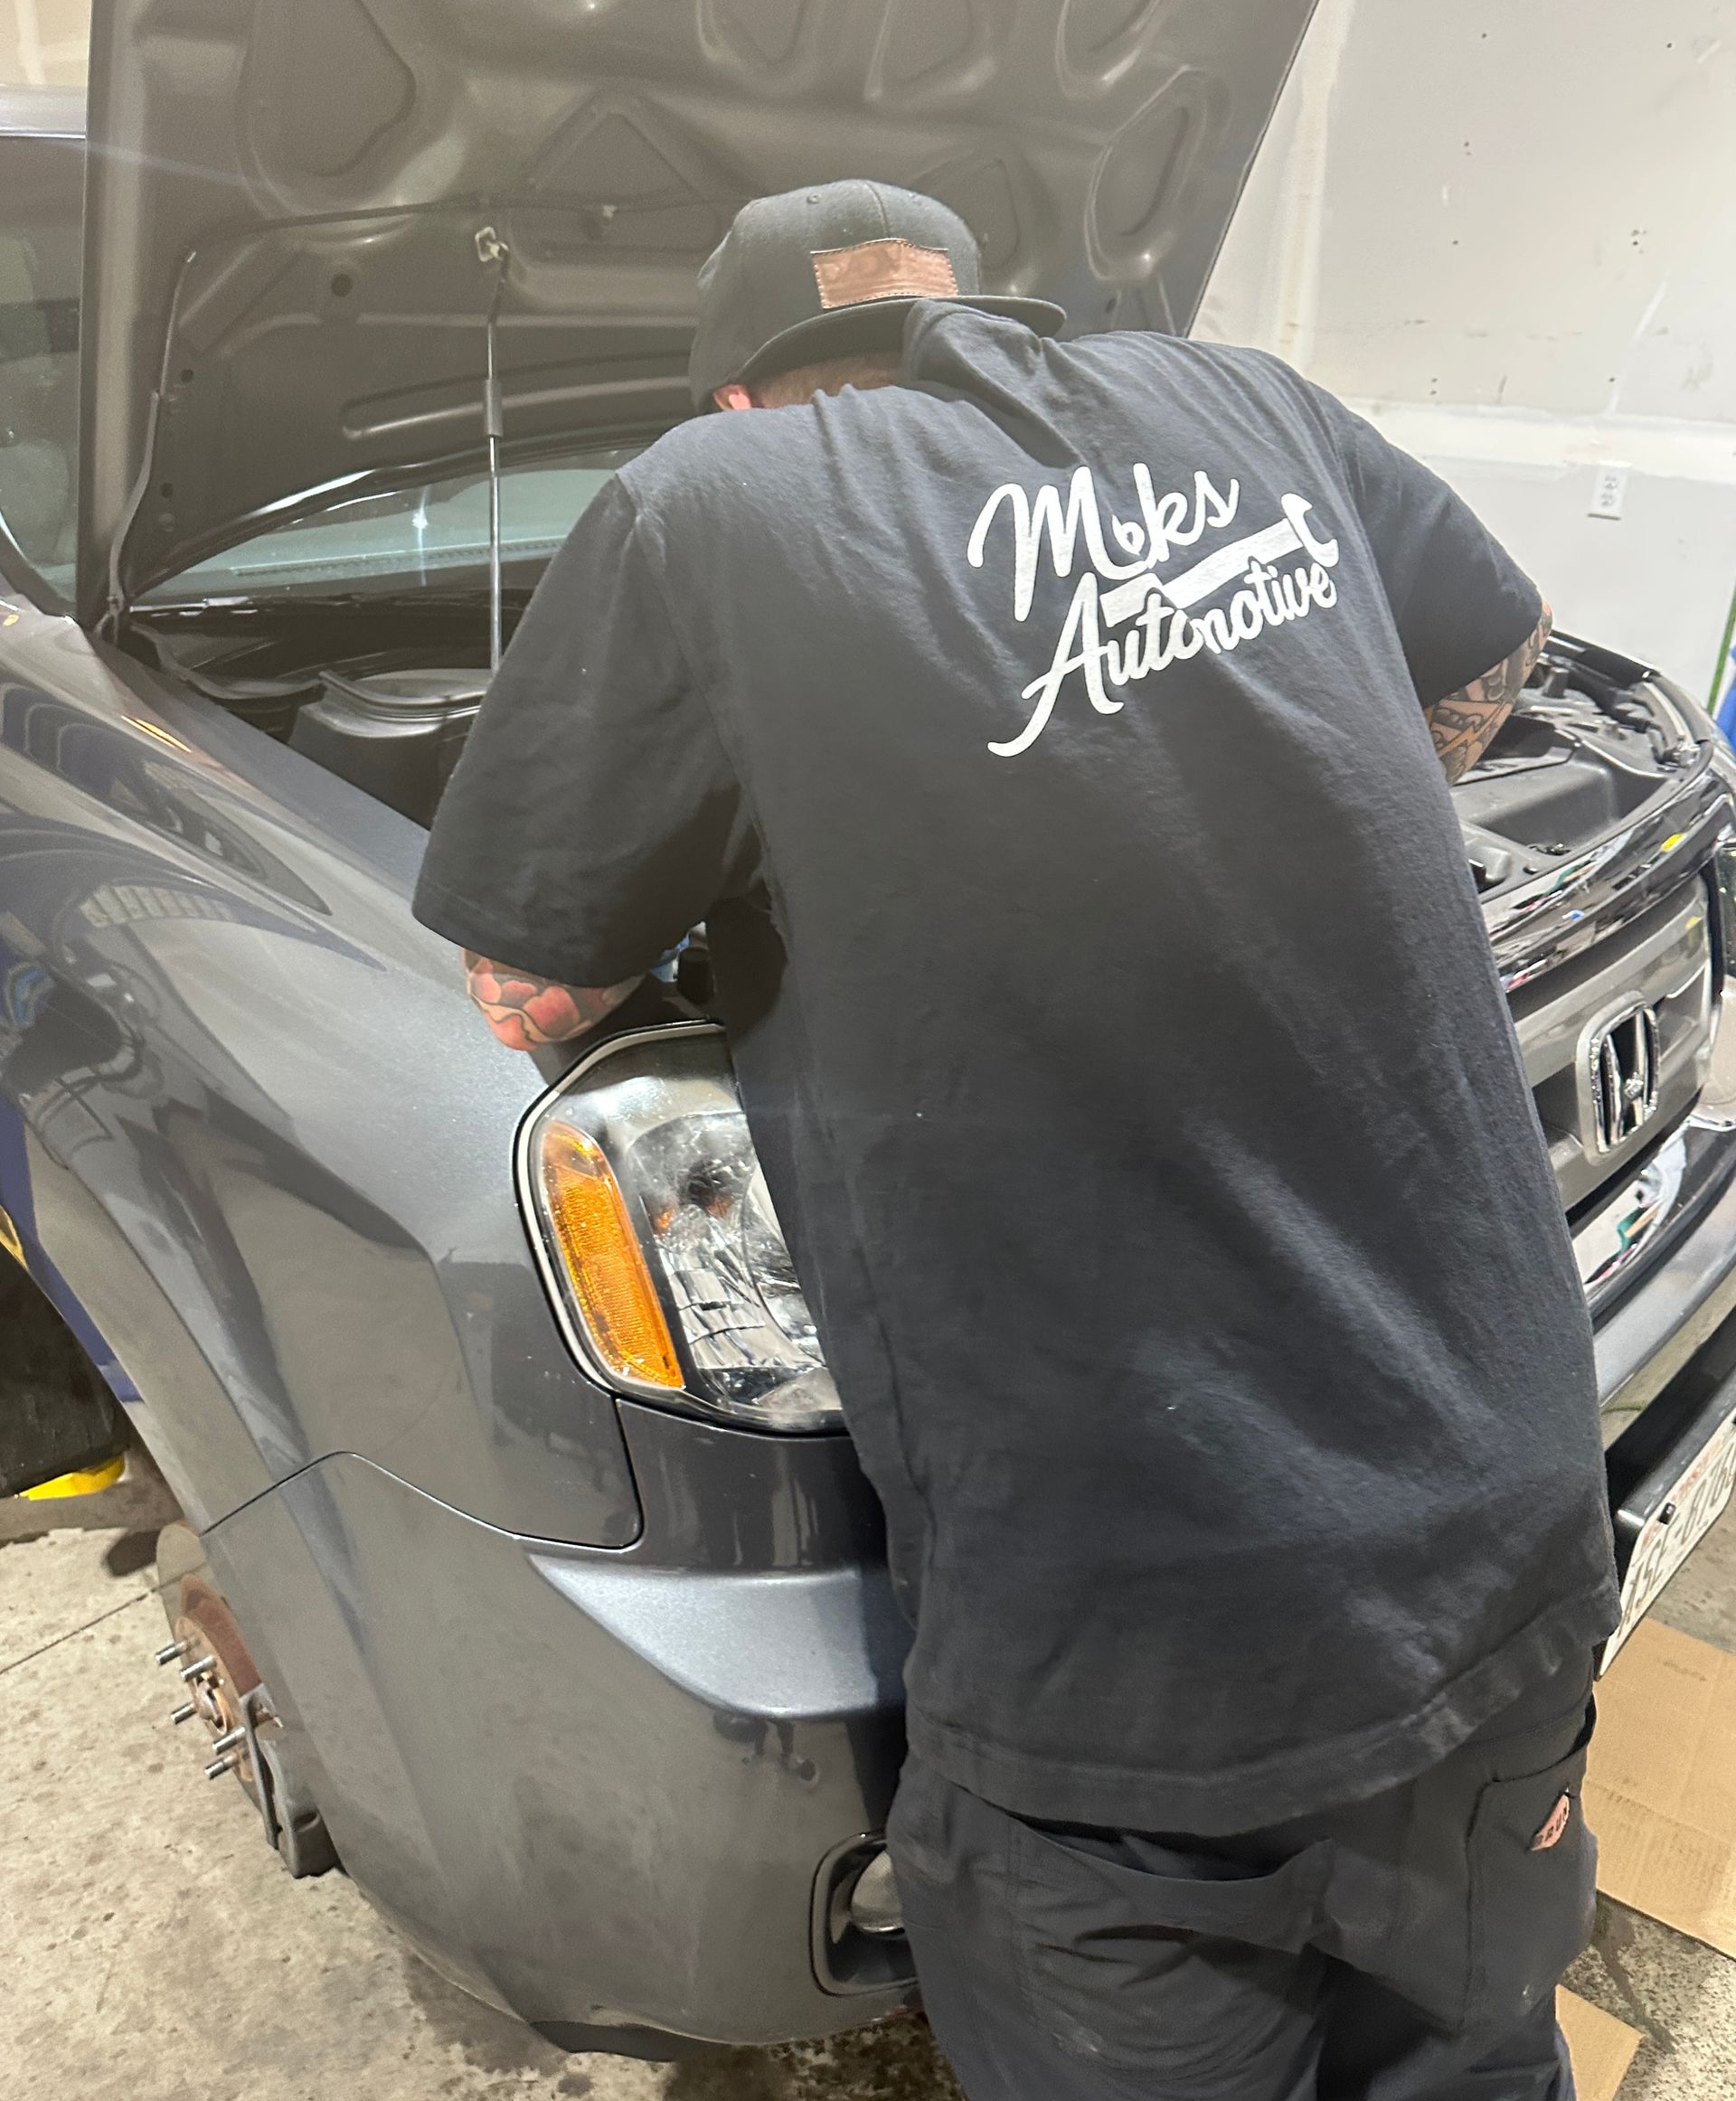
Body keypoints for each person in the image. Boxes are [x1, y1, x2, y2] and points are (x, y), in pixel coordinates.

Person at [414, 180, 1617, 2100]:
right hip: (1506, 1527)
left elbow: (528, 984)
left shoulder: (708, 508)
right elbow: (1500, 656)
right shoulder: (1253, 401)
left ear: (739, 392)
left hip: (1135, 1648)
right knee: (1481, 2067)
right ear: (974, 312)